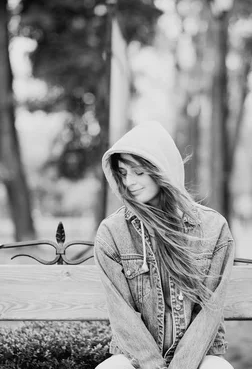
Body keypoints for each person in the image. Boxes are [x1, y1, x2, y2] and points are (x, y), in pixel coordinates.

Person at [94, 121, 235, 369]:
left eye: (138, 172)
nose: (130, 183)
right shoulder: (113, 233)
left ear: (163, 170)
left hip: (200, 357)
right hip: (134, 358)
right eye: (124, 173)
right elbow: (123, 318)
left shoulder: (213, 229)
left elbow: (209, 312)